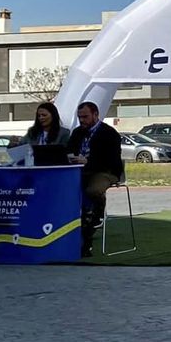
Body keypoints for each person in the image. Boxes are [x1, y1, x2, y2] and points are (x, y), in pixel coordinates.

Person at [67, 102, 124, 259]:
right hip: (80, 171)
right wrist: (71, 158)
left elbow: (111, 161)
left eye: (85, 117)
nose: (82, 120)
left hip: (105, 171)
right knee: (65, 192)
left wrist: (87, 161)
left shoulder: (109, 133)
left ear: (95, 114)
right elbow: (68, 150)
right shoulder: (77, 132)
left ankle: (96, 216)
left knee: (93, 190)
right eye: (79, 117)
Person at [23, 102, 70, 167]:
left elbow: (66, 154)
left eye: (44, 115)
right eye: (39, 116)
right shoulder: (32, 132)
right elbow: (22, 145)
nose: (41, 118)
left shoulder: (64, 133)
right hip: (33, 167)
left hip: (53, 168)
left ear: (53, 115)